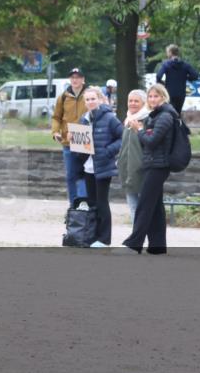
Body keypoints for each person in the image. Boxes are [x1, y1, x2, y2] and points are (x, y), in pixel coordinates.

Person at [122, 84, 177, 254]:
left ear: (163, 97)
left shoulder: (165, 116)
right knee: (155, 207)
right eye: (151, 96)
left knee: (144, 205)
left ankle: (134, 244)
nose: (152, 99)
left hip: (157, 165)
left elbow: (151, 141)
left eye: (156, 96)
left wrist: (139, 130)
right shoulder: (157, 115)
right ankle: (157, 246)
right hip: (153, 164)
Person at [75, 87, 123, 248]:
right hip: (88, 167)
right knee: (92, 202)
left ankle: (104, 238)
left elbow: (122, 137)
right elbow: (81, 147)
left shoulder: (109, 118)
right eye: (87, 99)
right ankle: (92, 235)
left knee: (102, 203)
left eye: (93, 99)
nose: (90, 102)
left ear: (100, 99)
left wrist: (108, 151)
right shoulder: (83, 119)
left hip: (103, 166)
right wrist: (75, 142)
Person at [51, 67, 89, 206]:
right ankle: (74, 205)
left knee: (86, 174)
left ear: (83, 79)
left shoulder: (89, 95)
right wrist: (55, 132)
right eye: (72, 77)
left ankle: (85, 203)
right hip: (68, 142)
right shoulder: (64, 97)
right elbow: (56, 117)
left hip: (86, 141)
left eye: (78, 77)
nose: (75, 80)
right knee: (71, 176)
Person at [117, 89, 149, 224]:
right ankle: (136, 237)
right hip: (127, 171)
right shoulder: (127, 120)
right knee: (133, 208)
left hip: (142, 170)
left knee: (144, 208)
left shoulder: (147, 119)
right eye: (130, 100)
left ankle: (143, 236)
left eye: (136, 101)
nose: (133, 103)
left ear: (143, 103)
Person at [156, 44, 200, 115]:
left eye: (167, 52)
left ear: (170, 52)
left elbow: (158, 76)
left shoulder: (166, 64)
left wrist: (162, 84)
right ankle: (177, 125)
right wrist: (186, 78)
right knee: (177, 113)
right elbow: (196, 76)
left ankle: (170, 125)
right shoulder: (185, 65)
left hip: (169, 92)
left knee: (169, 113)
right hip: (181, 93)